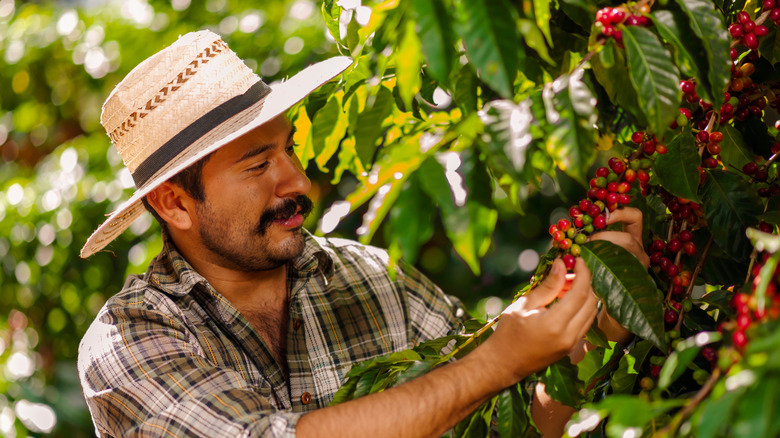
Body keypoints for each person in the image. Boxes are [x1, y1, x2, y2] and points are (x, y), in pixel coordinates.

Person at [77, 30, 648, 437]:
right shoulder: (130, 340)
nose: (297, 181)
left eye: (290, 150)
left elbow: (501, 422)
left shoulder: (374, 278)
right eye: (257, 165)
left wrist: (592, 332)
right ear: (175, 203)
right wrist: (500, 359)